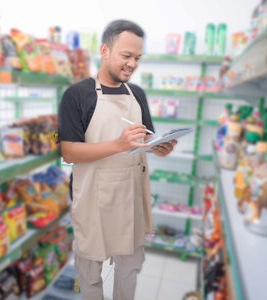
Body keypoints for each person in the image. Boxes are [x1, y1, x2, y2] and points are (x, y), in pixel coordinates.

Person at [57, 19, 177, 300]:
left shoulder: (137, 94)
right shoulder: (77, 95)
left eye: (137, 58)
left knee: (129, 269)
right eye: (126, 56)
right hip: (93, 198)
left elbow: (144, 140)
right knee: (90, 273)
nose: (132, 64)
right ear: (105, 50)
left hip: (131, 195)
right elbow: (69, 152)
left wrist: (159, 147)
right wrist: (118, 144)